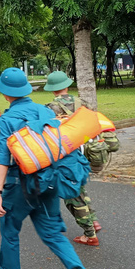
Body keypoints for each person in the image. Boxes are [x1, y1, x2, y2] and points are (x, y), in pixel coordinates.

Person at [0, 68, 103, 269]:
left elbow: (2, 158)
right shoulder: (44, 110)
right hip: (49, 181)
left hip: (20, 185)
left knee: (9, 230)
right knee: (54, 233)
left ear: (6, 94)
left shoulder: (7, 119)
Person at [44, 71, 102, 246]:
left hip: (68, 155)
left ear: (53, 90)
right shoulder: (83, 103)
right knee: (80, 187)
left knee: (72, 195)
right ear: (67, 85)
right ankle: (93, 221)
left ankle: (89, 234)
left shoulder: (50, 108)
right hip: (87, 151)